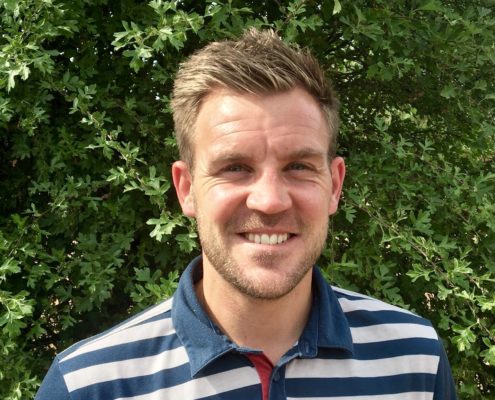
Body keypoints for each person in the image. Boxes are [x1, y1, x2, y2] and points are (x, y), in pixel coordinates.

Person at [36, 28, 457, 400]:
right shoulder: (89, 386)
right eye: (235, 167)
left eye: (298, 166)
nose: (269, 201)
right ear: (186, 189)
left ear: (334, 185)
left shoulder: (414, 360)